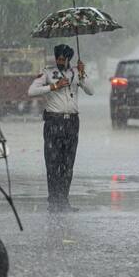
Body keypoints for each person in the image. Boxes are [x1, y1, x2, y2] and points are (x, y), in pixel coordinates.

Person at [27, 44, 94, 213]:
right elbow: (31, 91)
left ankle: (64, 200)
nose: (60, 61)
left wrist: (82, 73)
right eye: (58, 58)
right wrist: (53, 86)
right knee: (52, 163)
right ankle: (53, 201)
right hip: (54, 123)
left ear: (69, 59)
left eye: (63, 59)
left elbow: (91, 91)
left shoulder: (74, 73)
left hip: (71, 123)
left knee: (67, 165)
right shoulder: (48, 73)